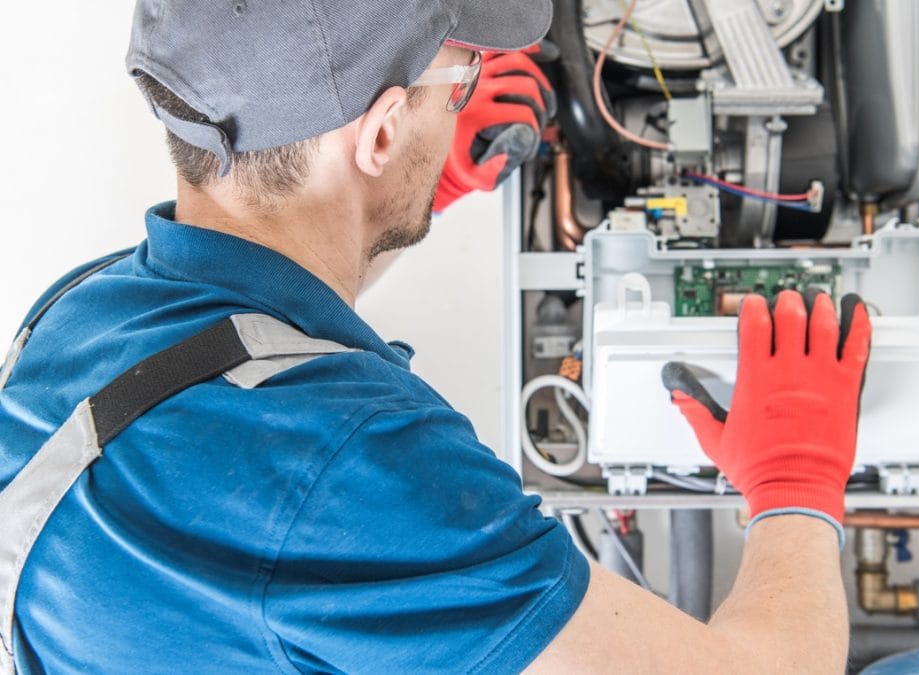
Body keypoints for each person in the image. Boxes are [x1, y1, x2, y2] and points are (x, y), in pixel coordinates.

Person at [0, 0, 870, 672]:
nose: (466, 106)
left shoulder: (80, 315)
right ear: (379, 133)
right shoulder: (357, 467)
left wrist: (409, 195)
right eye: (458, 85)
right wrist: (797, 484)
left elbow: (257, 339)